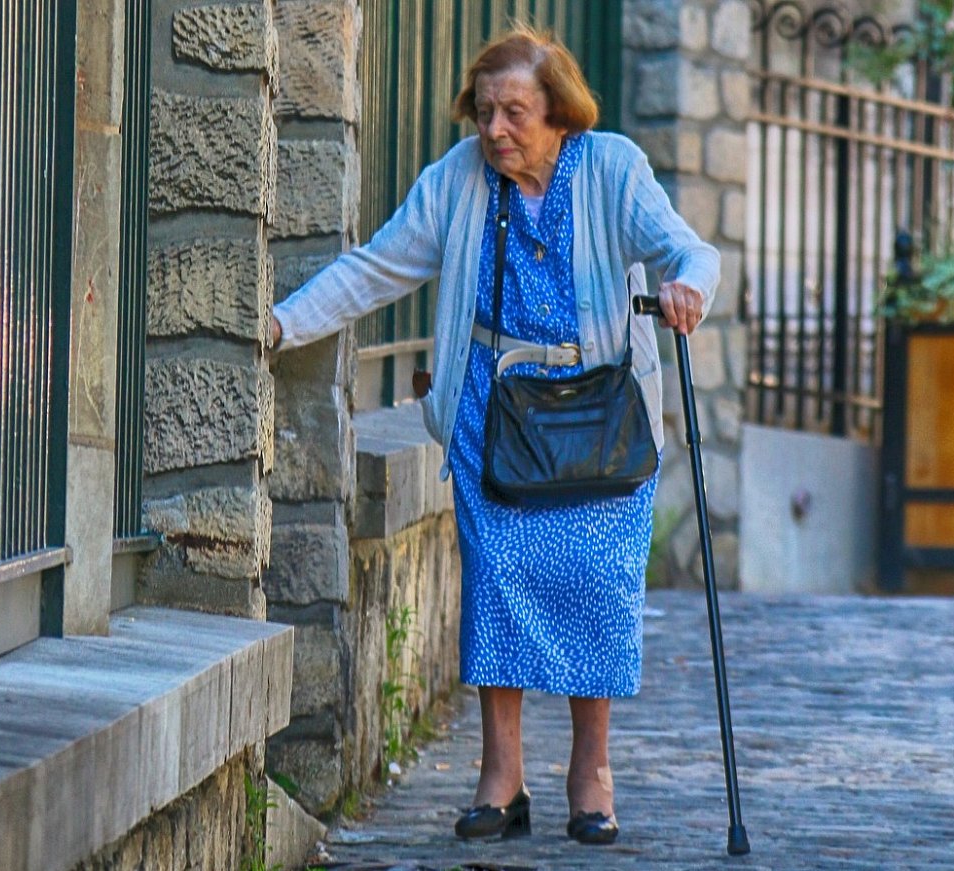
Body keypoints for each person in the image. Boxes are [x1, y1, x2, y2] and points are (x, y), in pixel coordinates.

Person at [271, 26, 719, 846]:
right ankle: (501, 777)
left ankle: (592, 772)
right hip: (492, 410)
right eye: (485, 112)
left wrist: (688, 285)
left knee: (596, 580)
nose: (495, 130)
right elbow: (376, 267)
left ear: (560, 114)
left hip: (600, 414)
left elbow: (687, 248)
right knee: (499, 582)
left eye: (514, 112)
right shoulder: (458, 180)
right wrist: (281, 322)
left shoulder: (612, 168)